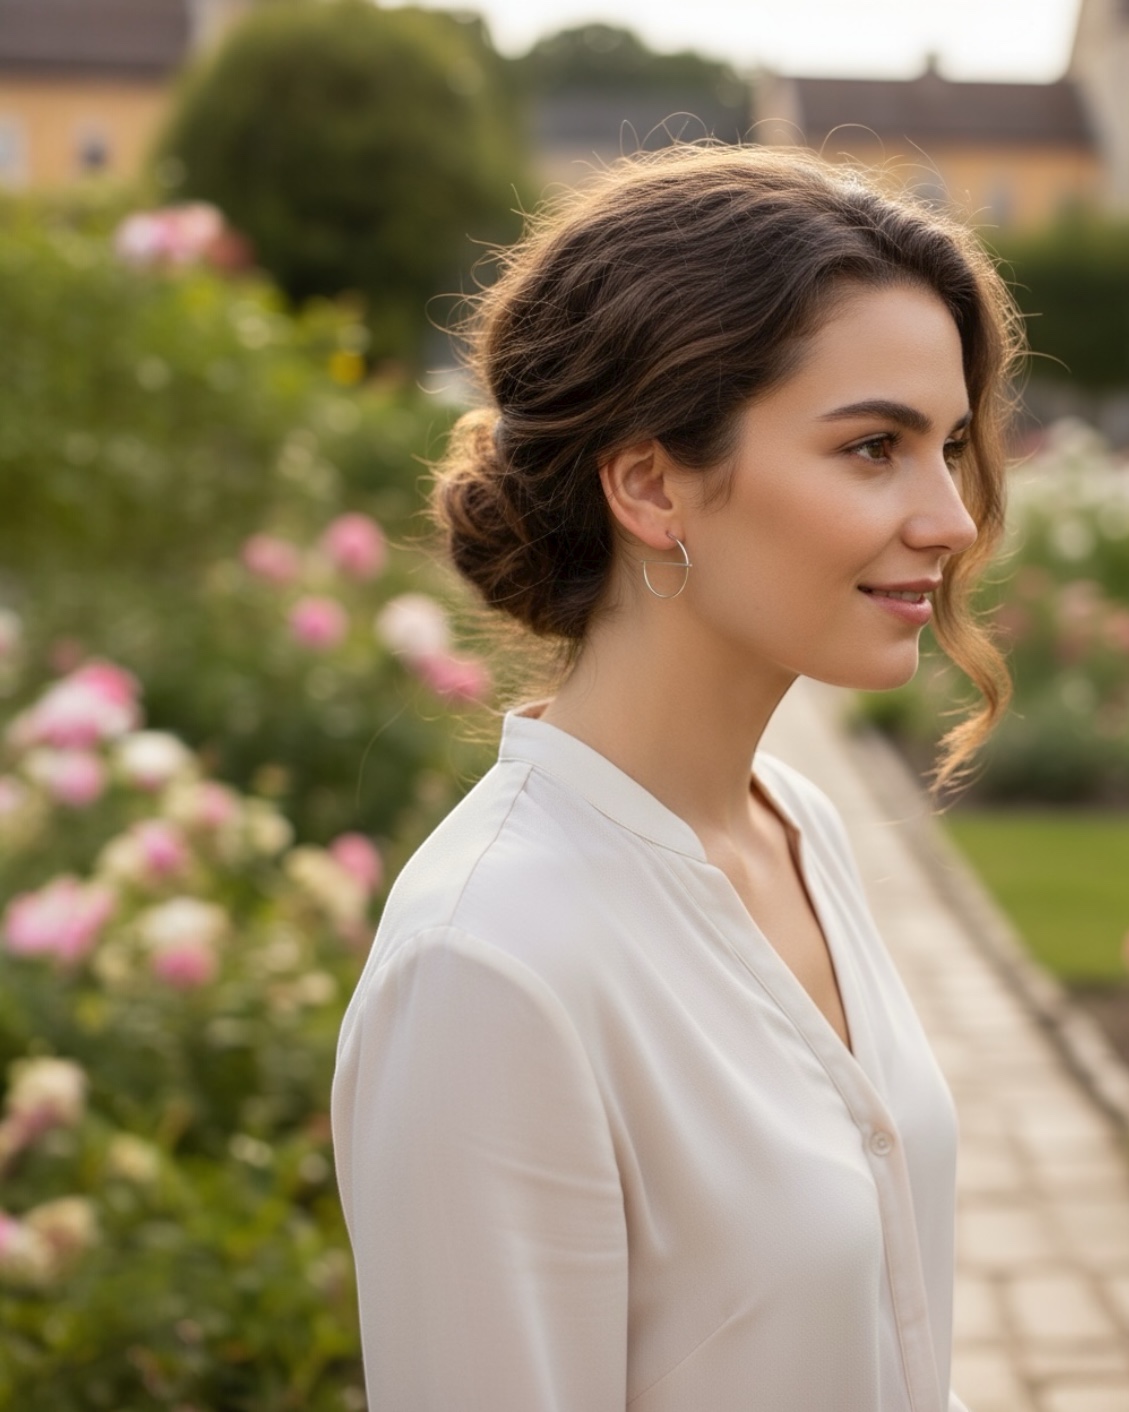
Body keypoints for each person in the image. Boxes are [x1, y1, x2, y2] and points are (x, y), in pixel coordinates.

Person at [330, 144, 1020, 1412]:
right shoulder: (488, 966)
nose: (952, 517)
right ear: (651, 485)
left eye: (951, 446)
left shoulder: (796, 827)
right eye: (874, 446)